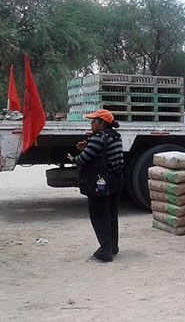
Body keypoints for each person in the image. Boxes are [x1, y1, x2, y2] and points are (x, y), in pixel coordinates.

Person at [73, 109, 124, 262]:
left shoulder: (98, 138)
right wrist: (88, 146)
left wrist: (76, 156)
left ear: (102, 124)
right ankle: (113, 246)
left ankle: (105, 251)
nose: (91, 123)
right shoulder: (116, 136)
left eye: (93, 121)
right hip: (116, 180)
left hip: (100, 183)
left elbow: (83, 159)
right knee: (111, 215)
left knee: (99, 216)